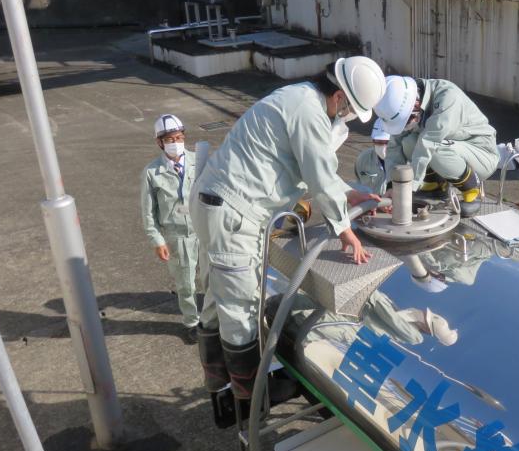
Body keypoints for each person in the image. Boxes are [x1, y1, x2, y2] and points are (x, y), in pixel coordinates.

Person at [189, 56, 387, 427]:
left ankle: (221, 390)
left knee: (218, 299)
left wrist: (347, 194)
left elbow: (317, 172)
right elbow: (316, 172)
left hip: (220, 205)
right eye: (349, 109)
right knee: (242, 307)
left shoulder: (300, 98)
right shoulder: (308, 110)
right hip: (233, 214)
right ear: (340, 94)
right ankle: (250, 405)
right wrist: (345, 232)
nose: (346, 116)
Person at [375, 75, 498, 217]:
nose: (406, 125)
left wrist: (408, 188)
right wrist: (393, 185)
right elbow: (394, 146)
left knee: (435, 148)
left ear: (415, 104)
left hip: (481, 153)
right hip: (451, 148)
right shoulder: (407, 102)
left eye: (408, 120)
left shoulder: (448, 98)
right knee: (408, 143)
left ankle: (471, 191)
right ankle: (434, 186)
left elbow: (428, 144)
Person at [140, 114, 201, 344]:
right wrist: (157, 240)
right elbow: (148, 212)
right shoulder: (151, 172)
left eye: (179, 137)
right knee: (186, 284)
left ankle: (213, 318)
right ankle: (192, 322)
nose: (176, 142)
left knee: (213, 279)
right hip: (176, 237)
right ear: (159, 142)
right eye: (170, 139)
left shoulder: (199, 161)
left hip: (202, 231)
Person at [353, 120, 390, 194]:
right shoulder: (363, 159)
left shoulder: (406, 161)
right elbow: (359, 184)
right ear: (373, 141)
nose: (383, 147)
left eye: (387, 142)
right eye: (379, 142)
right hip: (372, 204)